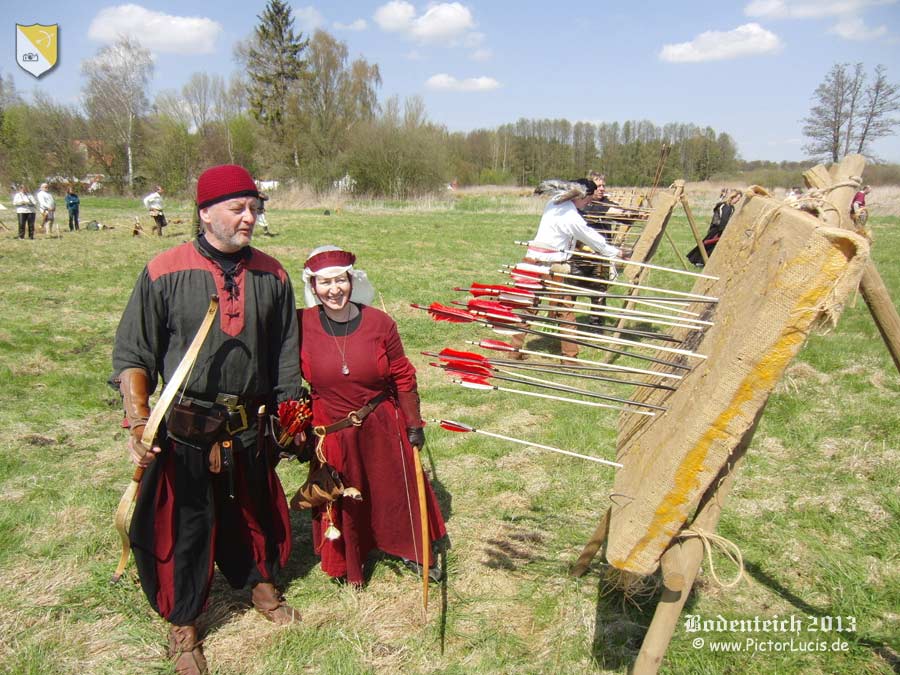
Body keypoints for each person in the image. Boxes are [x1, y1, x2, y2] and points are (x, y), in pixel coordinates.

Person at [111, 164, 304, 675]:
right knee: (186, 525)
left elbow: (287, 351)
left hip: (247, 423)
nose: (249, 218)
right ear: (204, 213)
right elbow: (134, 353)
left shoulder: (274, 274)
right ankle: (184, 620)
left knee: (253, 511)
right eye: (238, 209)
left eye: (254, 209)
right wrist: (137, 422)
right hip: (186, 428)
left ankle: (259, 580)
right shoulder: (164, 271)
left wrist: (288, 414)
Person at [297, 245, 448, 587]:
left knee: (394, 488)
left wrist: (413, 423)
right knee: (344, 495)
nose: (334, 290)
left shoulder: (380, 323)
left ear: (352, 280)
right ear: (313, 287)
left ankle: (409, 548)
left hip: (379, 421)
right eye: (324, 283)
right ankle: (351, 557)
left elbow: (403, 376)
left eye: (340, 280)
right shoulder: (299, 324)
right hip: (333, 429)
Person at [514, 179, 622, 358]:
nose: (588, 204)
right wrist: (615, 252)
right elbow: (590, 237)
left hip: (533, 261)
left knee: (529, 308)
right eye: (588, 200)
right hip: (551, 266)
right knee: (565, 312)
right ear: (581, 196)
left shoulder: (555, 201)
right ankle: (570, 358)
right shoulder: (570, 216)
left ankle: (513, 351)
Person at [686, 189, 742, 266]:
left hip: (719, 229)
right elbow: (723, 220)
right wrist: (723, 232)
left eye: (739, 199)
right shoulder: (726, 206)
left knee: (711, 246)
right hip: (717, 230)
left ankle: (702, 261)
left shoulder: (730, 207)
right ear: (733, 197)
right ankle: (698, 261)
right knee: (708, 245)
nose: (737, 201)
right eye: (737, 198)